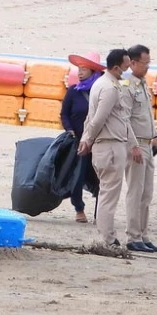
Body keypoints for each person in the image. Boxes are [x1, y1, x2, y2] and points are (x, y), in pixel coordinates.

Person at [77, 48, 138, 248]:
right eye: (125, 67)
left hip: (108, 144)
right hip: (110, 145)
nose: (127, 71)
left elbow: (95, 118)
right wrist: (88, 140)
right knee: (109, 193)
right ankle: (107, 237)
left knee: (106, 191)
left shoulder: (101, 84)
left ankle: (106, 234)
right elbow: (98, 119)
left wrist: (87, 138)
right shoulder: (110, 88)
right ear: (115, 67)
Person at [124, 44, 157, 253]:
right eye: (145, 63)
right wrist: (133, 145)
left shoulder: (142, 83)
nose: (147, 67)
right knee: (135, 191)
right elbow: (125, 118)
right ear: (133, 62)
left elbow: (146, 114)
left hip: (148, 143)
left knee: (146, 193)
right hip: (136, 144)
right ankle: (132, 236)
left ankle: (143, 234)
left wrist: (155, 134)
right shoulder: (126, 84)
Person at [61, 51, 105, 224]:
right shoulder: (73, 91)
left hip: (99, 141)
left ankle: (100, 213)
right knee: (77, 176)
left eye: (84, 69)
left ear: (93, 71)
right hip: (78, 141)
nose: (79, 72)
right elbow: (64, 114)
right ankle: (79, 209)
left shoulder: (102, 91)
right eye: (78, 69)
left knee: (100, 178)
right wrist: (70, 130)